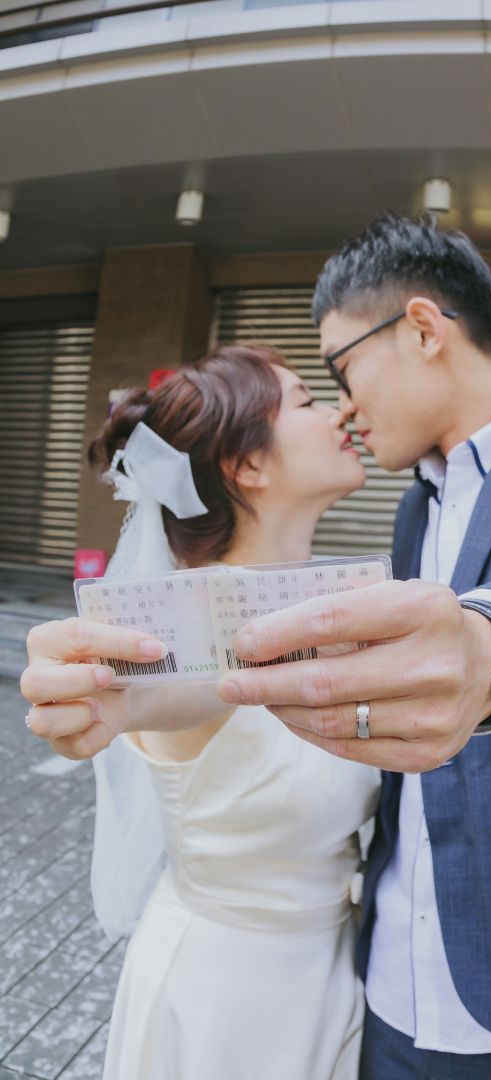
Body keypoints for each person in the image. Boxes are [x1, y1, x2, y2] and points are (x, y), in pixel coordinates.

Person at [22, 214, 491, 1079]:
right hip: (376, 994)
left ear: (422, 329)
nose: (340, 406)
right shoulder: (411, 509)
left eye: (338, 369)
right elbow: (205, 670)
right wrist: (109, 687)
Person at [24, 343, 380, 1080]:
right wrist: (91, 694)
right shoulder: (191, 621)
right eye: (308, 401)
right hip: (226, 996)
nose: (341, 411)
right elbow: (159, 683)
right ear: (248, 465)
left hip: (330, 971)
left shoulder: (334, 609)